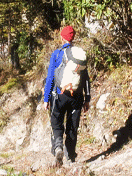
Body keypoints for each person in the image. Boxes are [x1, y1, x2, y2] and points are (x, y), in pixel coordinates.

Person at [44, 25, 91, 166]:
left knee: (56, 122)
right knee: (72, 127)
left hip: (59, 95)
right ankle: (70, 157)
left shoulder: (57, 54)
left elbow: (50, 78)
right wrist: (87, 99)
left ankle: (58, 147)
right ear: (73, 38)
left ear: (62, 37)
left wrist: (46, 99)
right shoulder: (79, 56)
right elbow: (86, 79)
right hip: (76, 97)